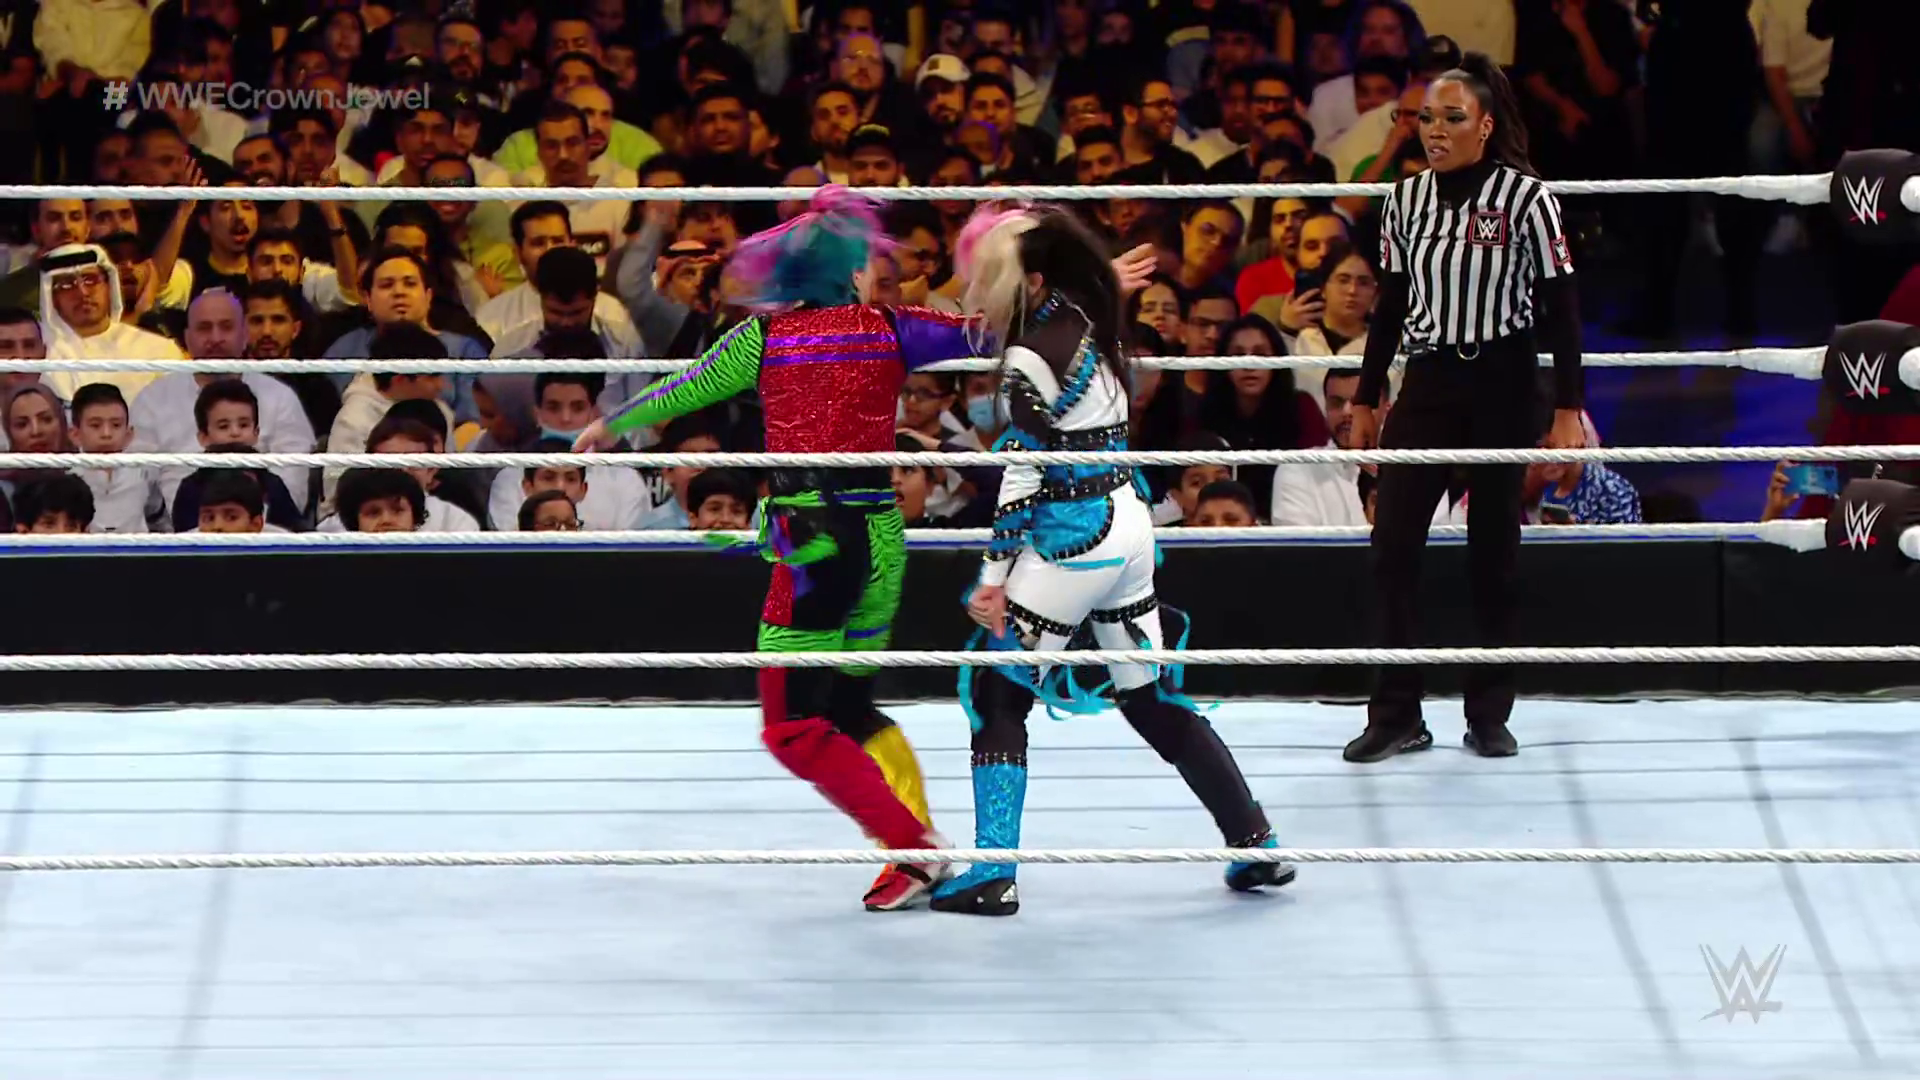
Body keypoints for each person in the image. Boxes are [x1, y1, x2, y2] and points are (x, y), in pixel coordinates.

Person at [571, 186, 973, 912]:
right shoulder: (892, 327)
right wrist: (1084, 290)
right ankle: (912, 848)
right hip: (881, 540)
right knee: (848, 706)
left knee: (793, 727)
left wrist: (611, 424)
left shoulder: (766, 338)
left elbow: (688, 387)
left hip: (814, 542)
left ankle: (915, 847)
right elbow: (986, 333)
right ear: (850, 273)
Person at [930, 204, 1295, 918]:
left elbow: (1023, 472)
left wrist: (994, 578)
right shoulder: (1093, 318)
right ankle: (1255, 841)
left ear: (1034, 280)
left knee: (997, 690)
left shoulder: (1033, 353)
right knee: (1149, 694)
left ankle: (993, 872)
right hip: (1128, 523)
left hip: (1074, 539)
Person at [1344, 53, 1587, 764]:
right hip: (1428, 379)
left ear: (1484, 125)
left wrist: (1567, 408)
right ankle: (1396, 713)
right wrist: (1366, 395)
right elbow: (1391, 303)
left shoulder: (1527, 199)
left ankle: (1488, 712)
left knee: (1494, 551)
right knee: (1392, 545)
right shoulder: (1403, 200)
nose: (1436, 130)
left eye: (1453, 117)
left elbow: (1562, 307)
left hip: (1505, 379)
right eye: (1427, 117)